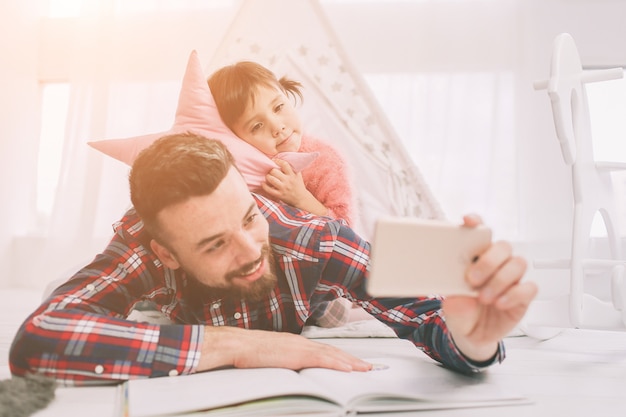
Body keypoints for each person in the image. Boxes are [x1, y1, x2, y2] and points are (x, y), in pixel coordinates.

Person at [9, 132, 537, 386]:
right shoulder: (143, 242)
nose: (248, 252)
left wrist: (473, 338)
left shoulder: (315, 240)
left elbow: (428, 321)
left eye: (247, 218)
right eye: (214, 244)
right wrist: (243, 346)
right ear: (165, 252)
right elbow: (40, 338)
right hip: (167, 314)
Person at [208, 61, 356, 228]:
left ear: (287, 95)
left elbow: (347, 231)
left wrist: (300, 198)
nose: (278, 127)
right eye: (257, 126)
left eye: (278, 107)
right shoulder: (241, 173)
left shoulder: (327, 159)